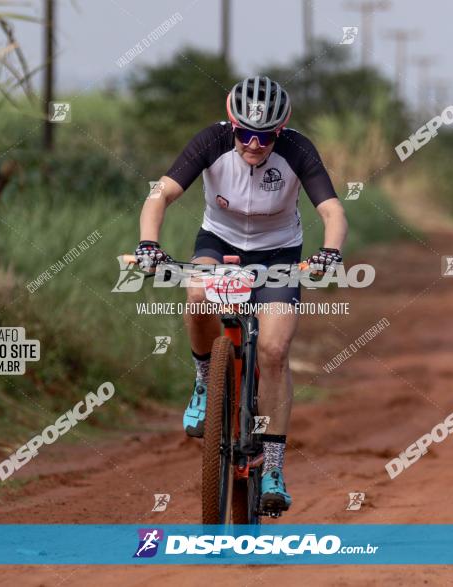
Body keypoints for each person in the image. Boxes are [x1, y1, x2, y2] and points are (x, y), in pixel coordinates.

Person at [133, 76, 348, 512]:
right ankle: (202, 381)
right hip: (219, 243)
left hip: (278, 254)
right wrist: (148, 243)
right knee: (196, 296)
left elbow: (332, 210)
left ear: (280, 132)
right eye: (245, 134)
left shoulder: (298, 150)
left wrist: (330, 252)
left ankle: (272, 465)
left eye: (264, 136)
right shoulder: (210, 141)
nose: (253, 144)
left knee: (273, 349)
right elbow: (161, 194)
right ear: (231, 125)